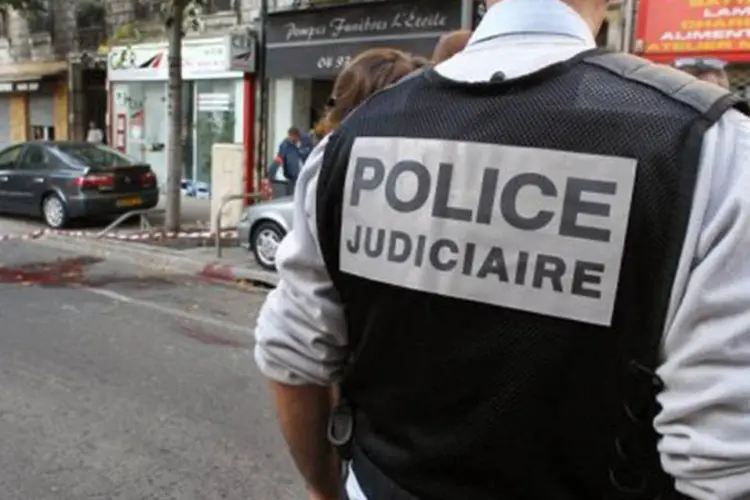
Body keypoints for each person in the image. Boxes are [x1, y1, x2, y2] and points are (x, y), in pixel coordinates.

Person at [255, 1, 750, 500]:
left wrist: (326, 489)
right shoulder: (710, 151)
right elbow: (726, 461)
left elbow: (291, 357)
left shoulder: (350, 140)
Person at [275, 127, 313, 196]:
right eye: (290, 136)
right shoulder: (285, 145)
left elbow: (311, 154)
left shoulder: (306, 141)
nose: (292, 139)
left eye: (293, 137)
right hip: (292, 177)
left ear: (298, 135)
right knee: (293, 195)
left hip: (306, 175)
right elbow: (280, 159)